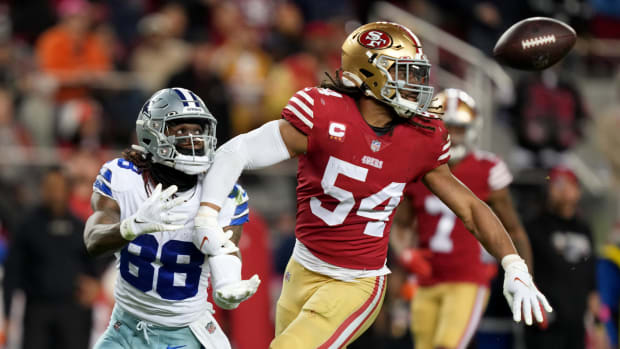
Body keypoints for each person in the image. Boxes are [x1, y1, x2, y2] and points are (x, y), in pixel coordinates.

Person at [192, 22, 552, 348]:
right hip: (301, 267)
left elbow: (471, 207)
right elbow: (236, 151)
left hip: (357, 281)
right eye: (404, 72)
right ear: (368, 73)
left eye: (418, 73)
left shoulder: (422, 137)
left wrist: (513, 265)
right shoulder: (323, 114)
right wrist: (207, 216)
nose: (417, 84)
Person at [83, 87, 260, 349]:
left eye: (197, 131)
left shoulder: (223, 193)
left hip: (184, 331)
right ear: (151, 134)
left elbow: (226, 251)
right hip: (126, 328)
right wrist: (132, 227)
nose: (192, 139)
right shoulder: (124, 178)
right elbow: (93, 241)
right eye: (180, 131)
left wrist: (229, 284)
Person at [392, 88, 533, 349]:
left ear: (472, 130)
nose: (453, 137)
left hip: (468, 278)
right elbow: (399, 227)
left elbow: (514, 229)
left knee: (447, 345)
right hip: (426, 279)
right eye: (448, 128)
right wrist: (407, 254)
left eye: (459, 129)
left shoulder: (487, 169)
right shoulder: (416, 168)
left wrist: (525, 278)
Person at [3, 168, 104, 349]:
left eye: (58, 187)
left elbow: (97, 261)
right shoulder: (27, 226)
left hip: (73, 311)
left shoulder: (81, 227)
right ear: (43, 190)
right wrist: (8, 314)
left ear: (67, 190)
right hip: (37, 310)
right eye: (50, 187)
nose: (54, 192)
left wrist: (95, 282)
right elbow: (12, 270)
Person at [524, 166, 597, 349]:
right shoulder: (535, 226)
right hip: (547, 322)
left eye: (568, 184)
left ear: (578, 190)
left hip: (577, 323)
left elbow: (590, 274)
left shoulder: (584, 228)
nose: (563, 189)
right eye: (556, 184)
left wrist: (598, 322)